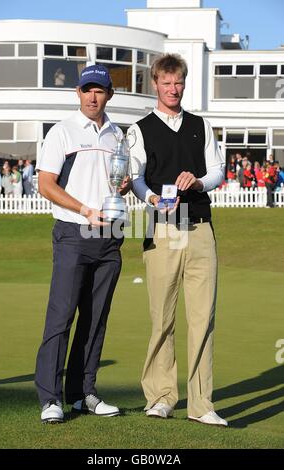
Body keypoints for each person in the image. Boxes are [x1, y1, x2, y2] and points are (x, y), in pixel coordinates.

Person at [128, 53, 227, 426]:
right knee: (163, 319)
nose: (173, 89)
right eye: (166, 83)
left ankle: (201, 404)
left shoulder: (201, 125)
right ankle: (161, 396)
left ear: (184, 83)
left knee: (203, 319)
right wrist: (151, 197)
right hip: (162, 229)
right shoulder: (139, 129)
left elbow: (217, 170)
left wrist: (199, 181)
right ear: (155, 83)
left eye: (178, 83)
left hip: (200, 228)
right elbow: (135, 177)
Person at [35, 64, 129, 424]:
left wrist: (121, 188)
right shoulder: (63, 132)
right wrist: (83, 209)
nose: (93, 96)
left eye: (100, 90)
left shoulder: (117, 136)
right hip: (74, 232)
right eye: (87, 89)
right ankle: (50, 398)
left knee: (95, 319)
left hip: (108, 236)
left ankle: (83, 393)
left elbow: (119, 182)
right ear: (78, 93)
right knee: (61, 317)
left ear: (109, 95)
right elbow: (46, 184)